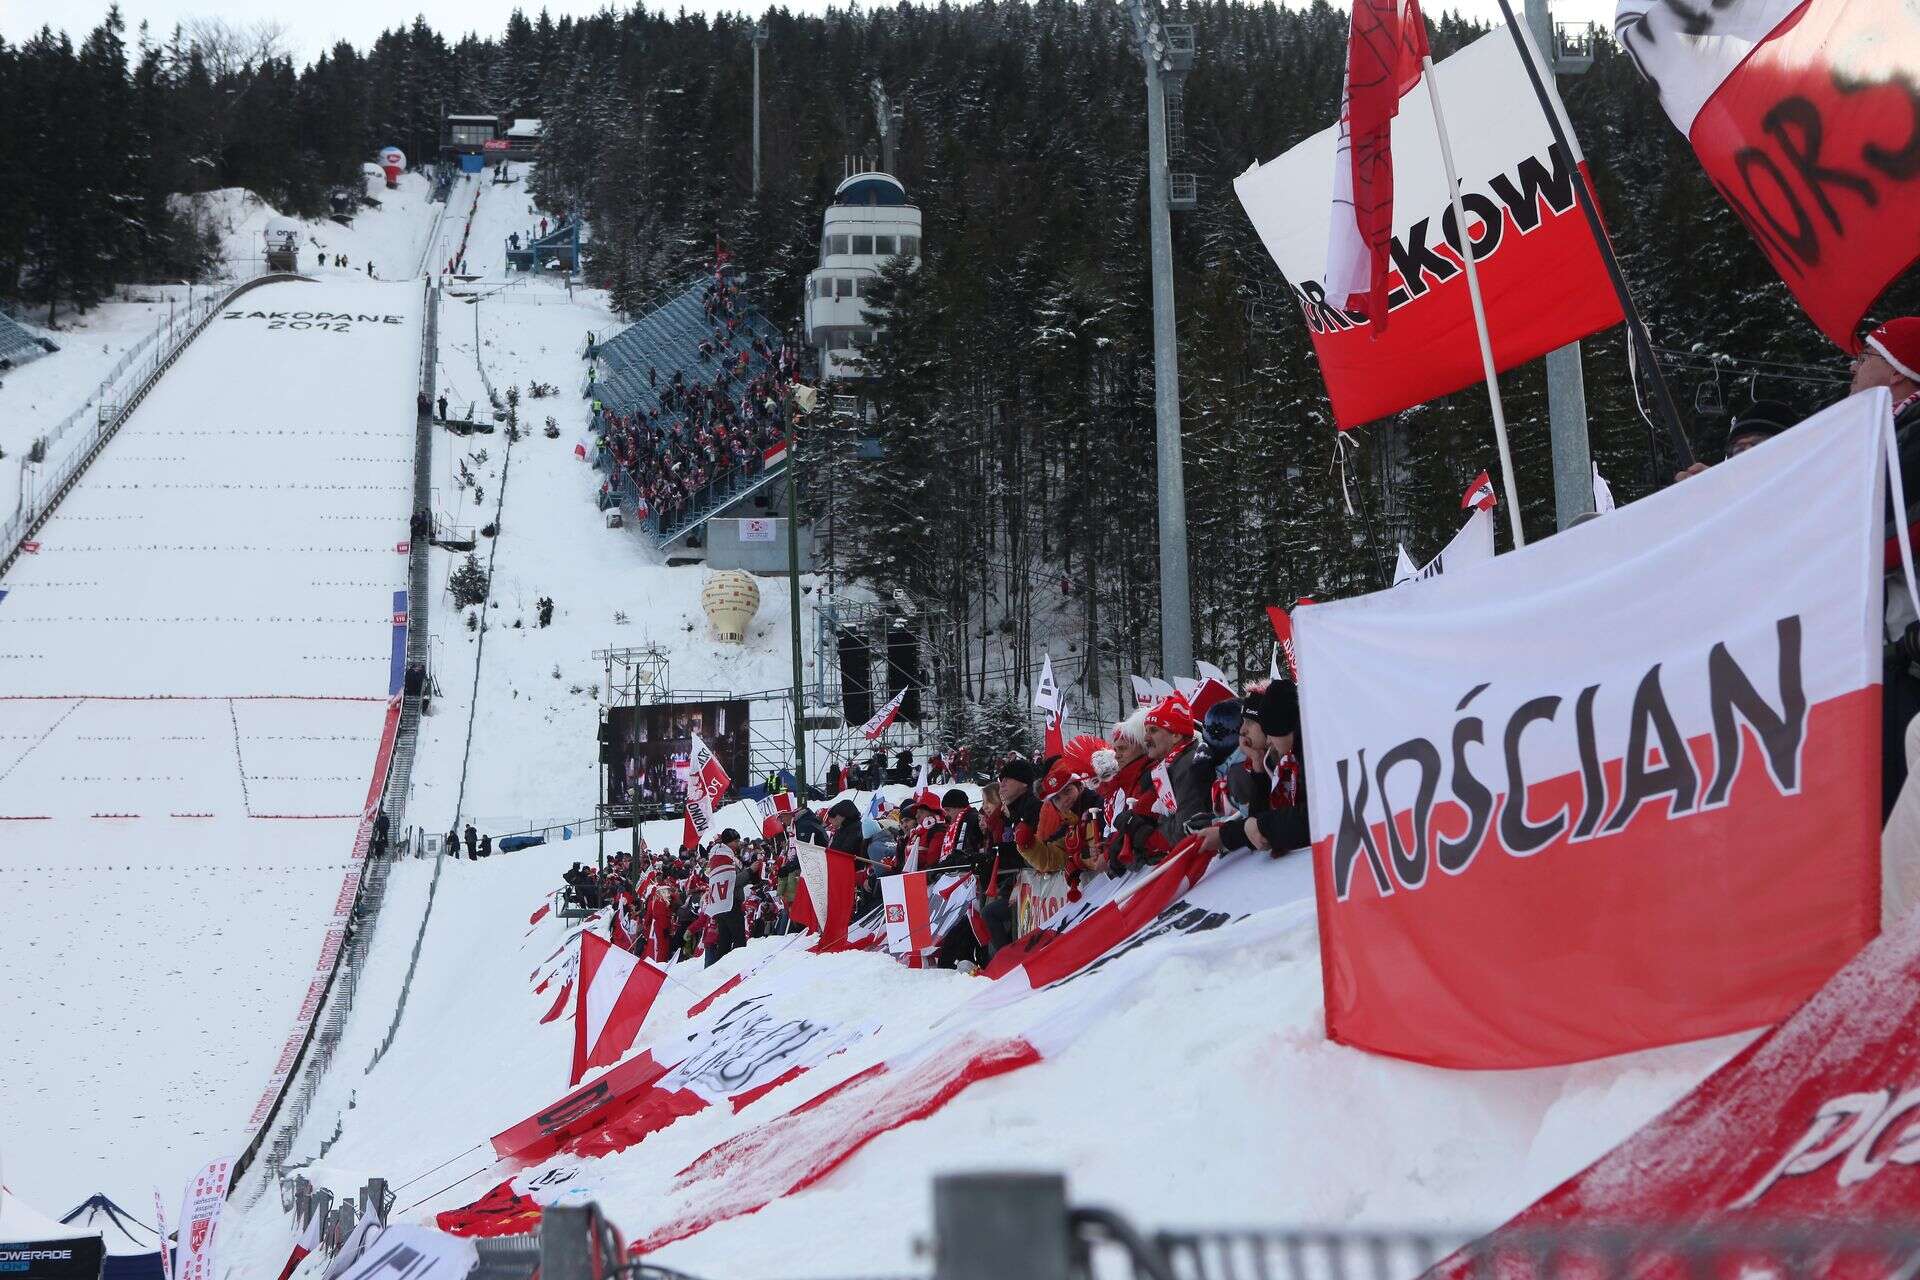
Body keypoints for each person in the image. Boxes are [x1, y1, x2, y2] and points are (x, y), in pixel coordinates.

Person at [1205, 682, 1309, 856]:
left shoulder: (1302, 757)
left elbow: (1307, 819)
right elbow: (1257, 822)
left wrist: (1231, 833)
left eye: (1250, 722)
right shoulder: (1270, 761)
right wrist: (1258, 764)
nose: (1242, 730)